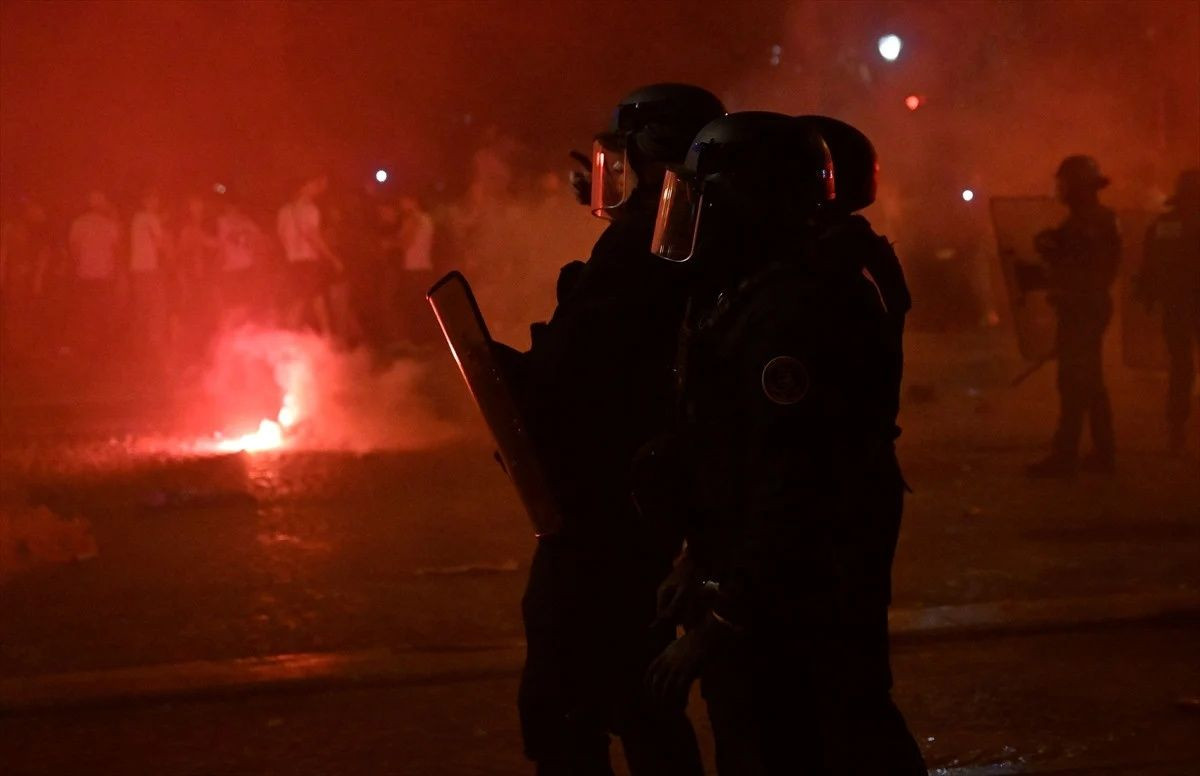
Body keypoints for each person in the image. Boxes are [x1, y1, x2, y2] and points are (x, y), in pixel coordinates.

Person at [642, 112, 925, 774]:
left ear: (749, 205)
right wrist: (697, 563)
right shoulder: (755, 293)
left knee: (814, 736)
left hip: (796, 599)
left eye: (705, 202)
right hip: (769, 584)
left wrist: (723, 623)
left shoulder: (794, 311)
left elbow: (789, 489)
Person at [500, 83, 724, 776]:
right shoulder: (695, 229)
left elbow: (581, 367)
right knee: (640, 697)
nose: (616, 174)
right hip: (646, 503)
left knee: (568, 700)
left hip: (605, 506)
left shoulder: (638, 247)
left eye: (628, 157)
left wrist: (506, 376)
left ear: (656, 150)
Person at [1026, 156, 1120, 477]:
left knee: (1073, 381)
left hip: (1083, 308)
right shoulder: (1093, 220)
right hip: (1085, 306)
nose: (1061, 189)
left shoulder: (1090, 223)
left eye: (1066, 183)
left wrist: (1053, 250)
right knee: (1090, 381)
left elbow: (1086, 268)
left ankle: (1065, 456)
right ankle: (1104, 452)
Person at [1138, 169, 1200, 455]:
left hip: (1177, 305)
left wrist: (1149, 296)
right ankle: (1176, 429)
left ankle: (1176, 430)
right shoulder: (1166, 225)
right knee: (1180, 366)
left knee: (1180, 367)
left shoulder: (1164, 224)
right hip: (1184, 303)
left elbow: (1151, 264)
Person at [277, 174, 341, 334]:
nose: (317, 189)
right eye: (313, 184)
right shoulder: (310, 209)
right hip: (308, 261)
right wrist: (332, 258)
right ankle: (327, 340)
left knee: (302, 299)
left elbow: (281, 236)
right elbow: (312, 236)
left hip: (292, 261)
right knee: (313, 301)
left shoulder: (283, 211)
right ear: (304, 187)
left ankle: (288, 337)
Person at [67, 190, 122, 356]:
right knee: (103, 310)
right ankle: (102, 346)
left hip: (84, 273)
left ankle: (88, 346)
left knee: (86, 311)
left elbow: (73, 249)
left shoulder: (78, 223)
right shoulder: (109, 224)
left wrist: (77, 266)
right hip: (104, 274)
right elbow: (116, 249)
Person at [128, 189, 171, 365]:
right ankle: (153, 346)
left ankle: (140, 345)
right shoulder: (151, 218)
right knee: (156, 306)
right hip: (149, 268)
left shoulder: (136, 218)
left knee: (142, 305)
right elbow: (160, 244)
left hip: (136, 268)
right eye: (152, 199)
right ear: (146, 201)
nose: (155, 203)